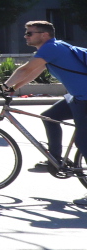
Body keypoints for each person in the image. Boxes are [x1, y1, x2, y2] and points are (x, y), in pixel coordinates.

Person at [5, 21, 87, 176]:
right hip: (79, 97)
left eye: (30, 33)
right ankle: (54, 159)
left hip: (85, 99)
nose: (26, 36)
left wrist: (2, 87)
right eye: (26, 33)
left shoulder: (51, 48)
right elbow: (33, 72)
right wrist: (12, 88)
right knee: (50, 116)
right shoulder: (54, 48)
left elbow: (25, 69)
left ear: (44, 35)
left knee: (83, 143)